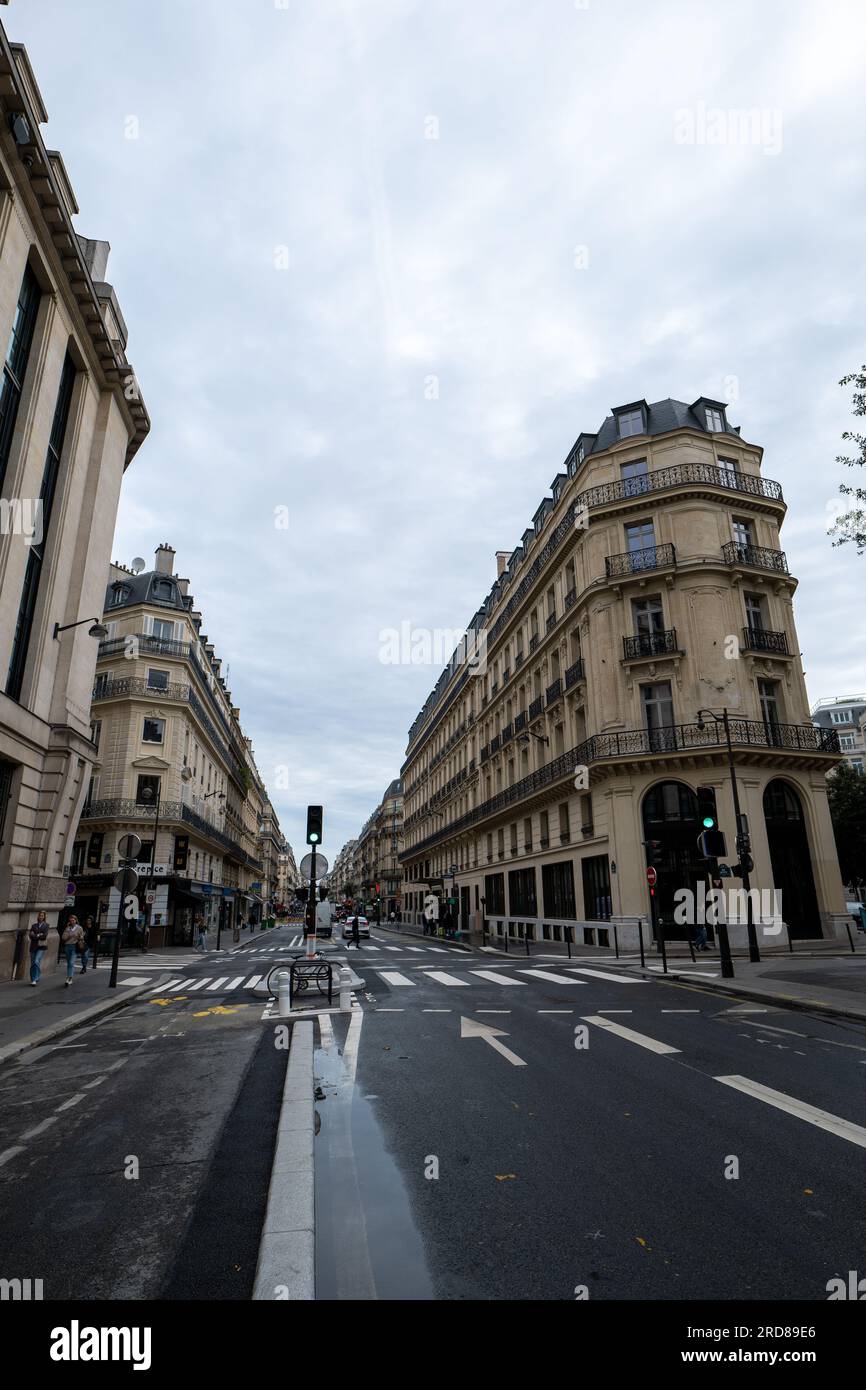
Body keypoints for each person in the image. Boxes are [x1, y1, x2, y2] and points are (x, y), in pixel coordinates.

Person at [61, 915, 84, 986]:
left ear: (76, 920)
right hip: (67, 946)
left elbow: (82, 937)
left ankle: (69, 978)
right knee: (69, 963)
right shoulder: (67, 928)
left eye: (73, 920)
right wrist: (68, 932)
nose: (72, 922)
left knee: (71, 962)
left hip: (75, 947)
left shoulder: (79, 928)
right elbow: (63, 937)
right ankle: (69, 977)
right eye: (71, 921)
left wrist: (79, 937)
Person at [28, 911, 50, 985]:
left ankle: (36, 977)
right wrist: (38, 935)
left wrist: (36, 935)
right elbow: (30, 936)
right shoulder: (34, 925)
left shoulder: (46, 925)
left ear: (44, 917)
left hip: (41, 946)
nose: (41, 917)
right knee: (32, 963)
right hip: (33, 946)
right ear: (38, 916)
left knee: (36, 961)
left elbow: (44, 936)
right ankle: (33, 978)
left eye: (42, 916)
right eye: (40, 915)